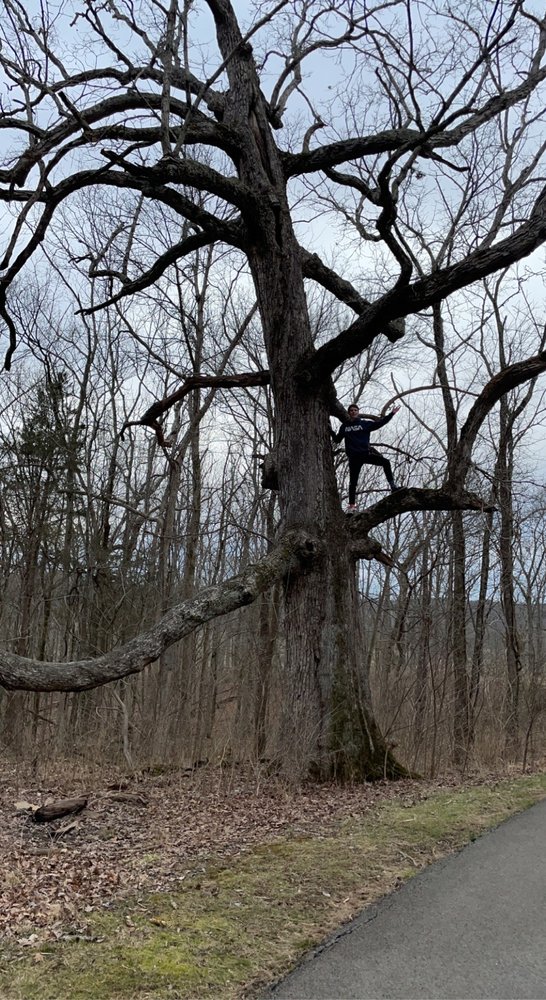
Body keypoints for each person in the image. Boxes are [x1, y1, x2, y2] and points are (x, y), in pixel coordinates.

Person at [332, 403, 402, 511]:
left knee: (386, 462)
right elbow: (337, 440)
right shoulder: (345, 426)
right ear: (349, 413)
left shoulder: (364, 424)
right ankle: (351, 506)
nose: (353, 412)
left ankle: (393, 487)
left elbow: (380, 423)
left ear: (358, 412)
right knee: (353, 482)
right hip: (353, 458)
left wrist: (391, 414)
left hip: (365, 454)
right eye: (351, 410)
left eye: (355, 410)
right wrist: (330, 431)